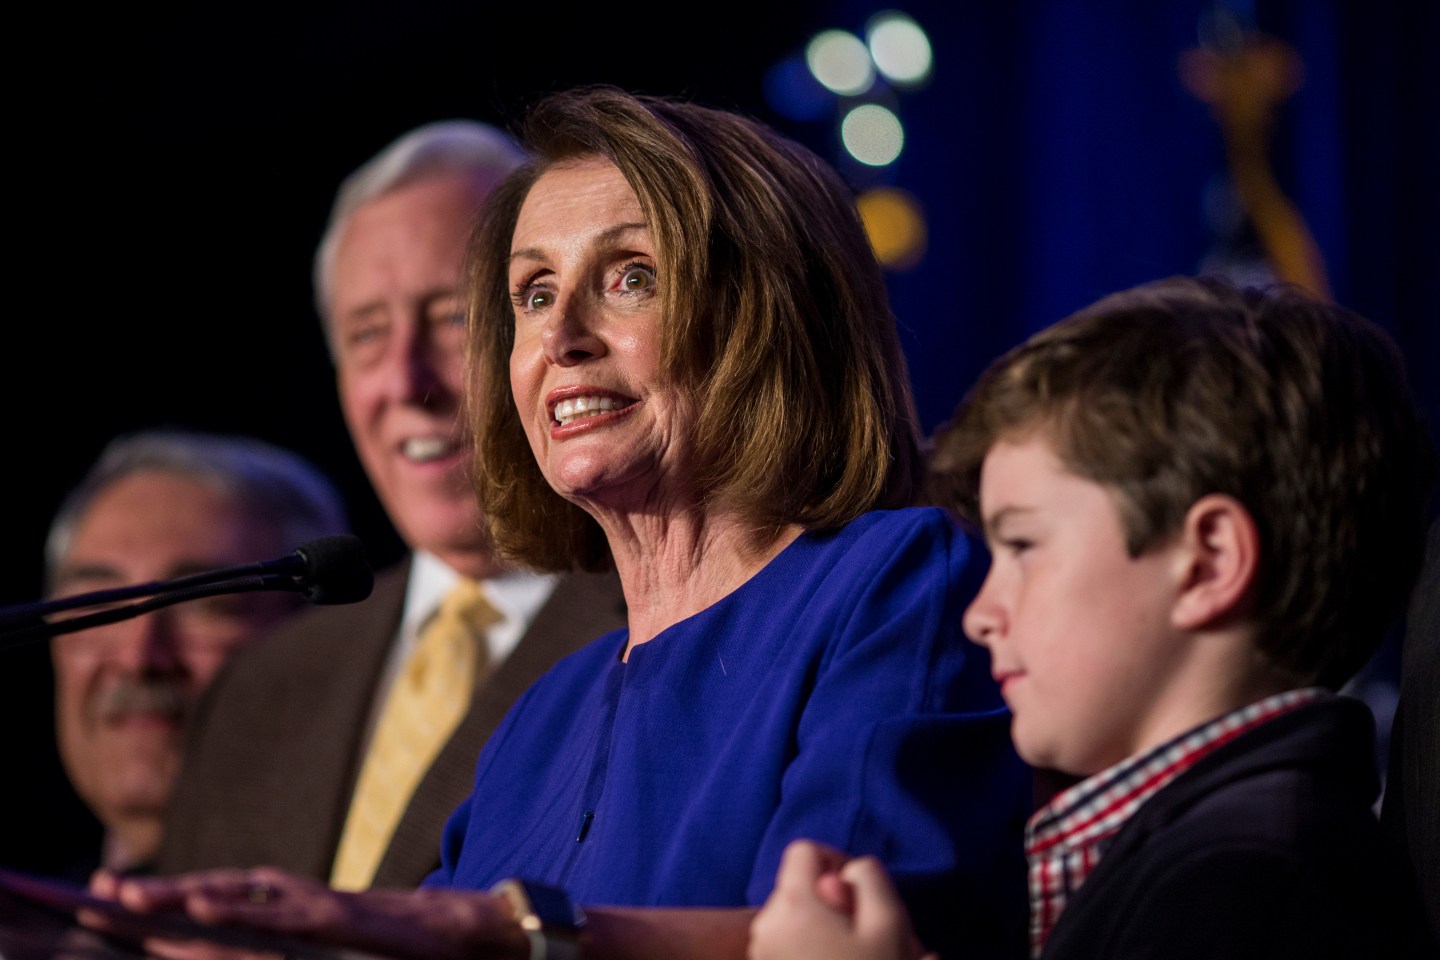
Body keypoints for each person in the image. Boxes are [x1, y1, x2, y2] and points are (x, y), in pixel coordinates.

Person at [96, 85, 1031, 960]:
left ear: (769, 317)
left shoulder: (895, 582)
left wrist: (498, 929)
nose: (560, 338)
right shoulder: (542, 716)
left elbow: (843, 933)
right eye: (534, 294)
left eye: (630, 277)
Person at [748, 275, 1436, 960]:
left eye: (1023, 546)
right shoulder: (1207, 857)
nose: (980, 615)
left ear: (1209, 562)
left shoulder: (1249, 888)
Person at [154, 119, 630, 891]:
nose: (406, 381)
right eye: (367, 334)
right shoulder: (263, 686)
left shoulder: (662, 623)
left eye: (453, 317)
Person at [45, 427, 350, 881]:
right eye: (96, 607)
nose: (138, 658)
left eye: (203, 606)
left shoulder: (370, 902)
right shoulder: (31, 918)